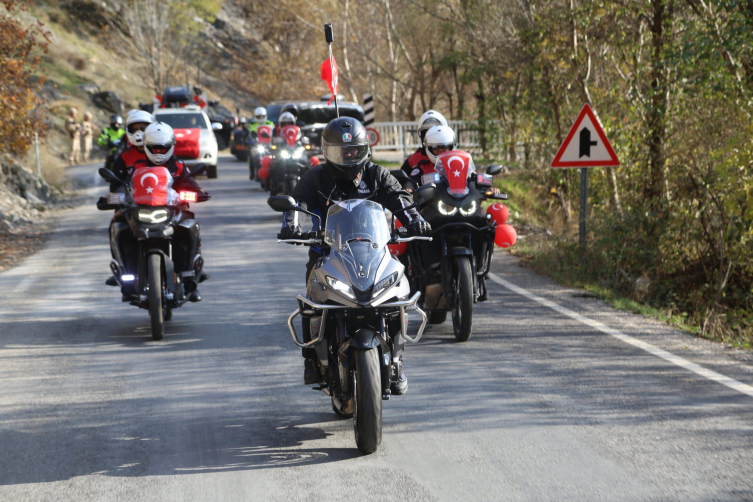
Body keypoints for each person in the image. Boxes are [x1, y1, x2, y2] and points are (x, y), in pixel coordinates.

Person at [278, 116, 431, 393]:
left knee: (397, 293)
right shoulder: (315, 177)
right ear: (327, 152)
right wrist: (291, 225)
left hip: (374, 252)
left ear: (365, 150)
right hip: (327, 253)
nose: (349, 157)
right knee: (311, 299)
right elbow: (297, 202)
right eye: (341, 152)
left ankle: (396, 361)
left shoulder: (377, 174)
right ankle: (312, 360)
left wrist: (414, 219)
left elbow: (399, 199)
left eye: (354, 151)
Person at [133, 122, 210, 301]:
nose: (159, 152)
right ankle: (127, 275)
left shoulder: (179, 166)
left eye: (163, 148)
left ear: (171, 147)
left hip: (174, 212)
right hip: (142, 212)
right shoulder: (137, 167)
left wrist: (197, 194)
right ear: (146, 146)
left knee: (189, 228)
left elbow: (192, 185)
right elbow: (125, 186)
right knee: (121, 228)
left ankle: (189, 275)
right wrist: (117, 196)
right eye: (154, 148)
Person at [109, 110, 156, 189]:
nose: (138, 132)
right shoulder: (125, 156)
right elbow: (116, 183)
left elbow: (176, 176)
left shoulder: (162, 152)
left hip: (161, 197)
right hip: (133, 198)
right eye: (134, 129)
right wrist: (114, 197)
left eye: (143, 128)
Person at [400, 110, 448, 178]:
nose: (432, 136)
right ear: (422, 136)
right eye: (427, 132)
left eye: (436, 133)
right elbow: (401, 183)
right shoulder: (413, 161)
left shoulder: (456, 159)